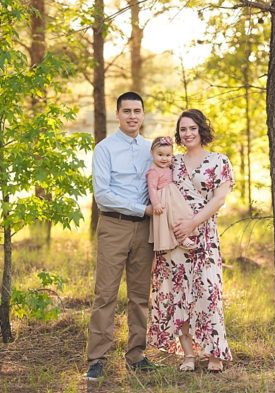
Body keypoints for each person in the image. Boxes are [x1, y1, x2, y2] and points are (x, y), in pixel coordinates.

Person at [147, 109, 234, 372]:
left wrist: (192, 224)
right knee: (178, 296)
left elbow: (219, 199)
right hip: (174, 239)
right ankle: (188, 355)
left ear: (201, 130)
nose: (187, 133)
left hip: (204, 237)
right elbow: (157, 186)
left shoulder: (219, 161)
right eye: (183, 129)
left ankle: (213, 354)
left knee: (208, 294)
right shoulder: (173, 162)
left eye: (192, 128)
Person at [85, 91, 159, 381]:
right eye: (126, 111)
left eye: (137, 111)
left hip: (145, 229)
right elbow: (103, 195)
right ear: (118, 114)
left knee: (140, 296)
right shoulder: (104, 149)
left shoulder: (151, 148)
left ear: (142, 114)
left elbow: (163, 180)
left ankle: (137, 354)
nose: (132, 116)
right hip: (114, 226)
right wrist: (142, 208)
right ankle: (97, 358)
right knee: (105, 294)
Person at [146, 136, 199, 252]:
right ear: (152, 153)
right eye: (160, 155)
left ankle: (186, 233)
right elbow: (152, 188)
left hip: (173, 195)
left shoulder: (169, 164)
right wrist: (156, 204)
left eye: (168, 155)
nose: (164, 158)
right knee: (171, 218)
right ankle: (181, 238)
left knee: (183, 212)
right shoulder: (153, 171)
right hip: (164, 197)